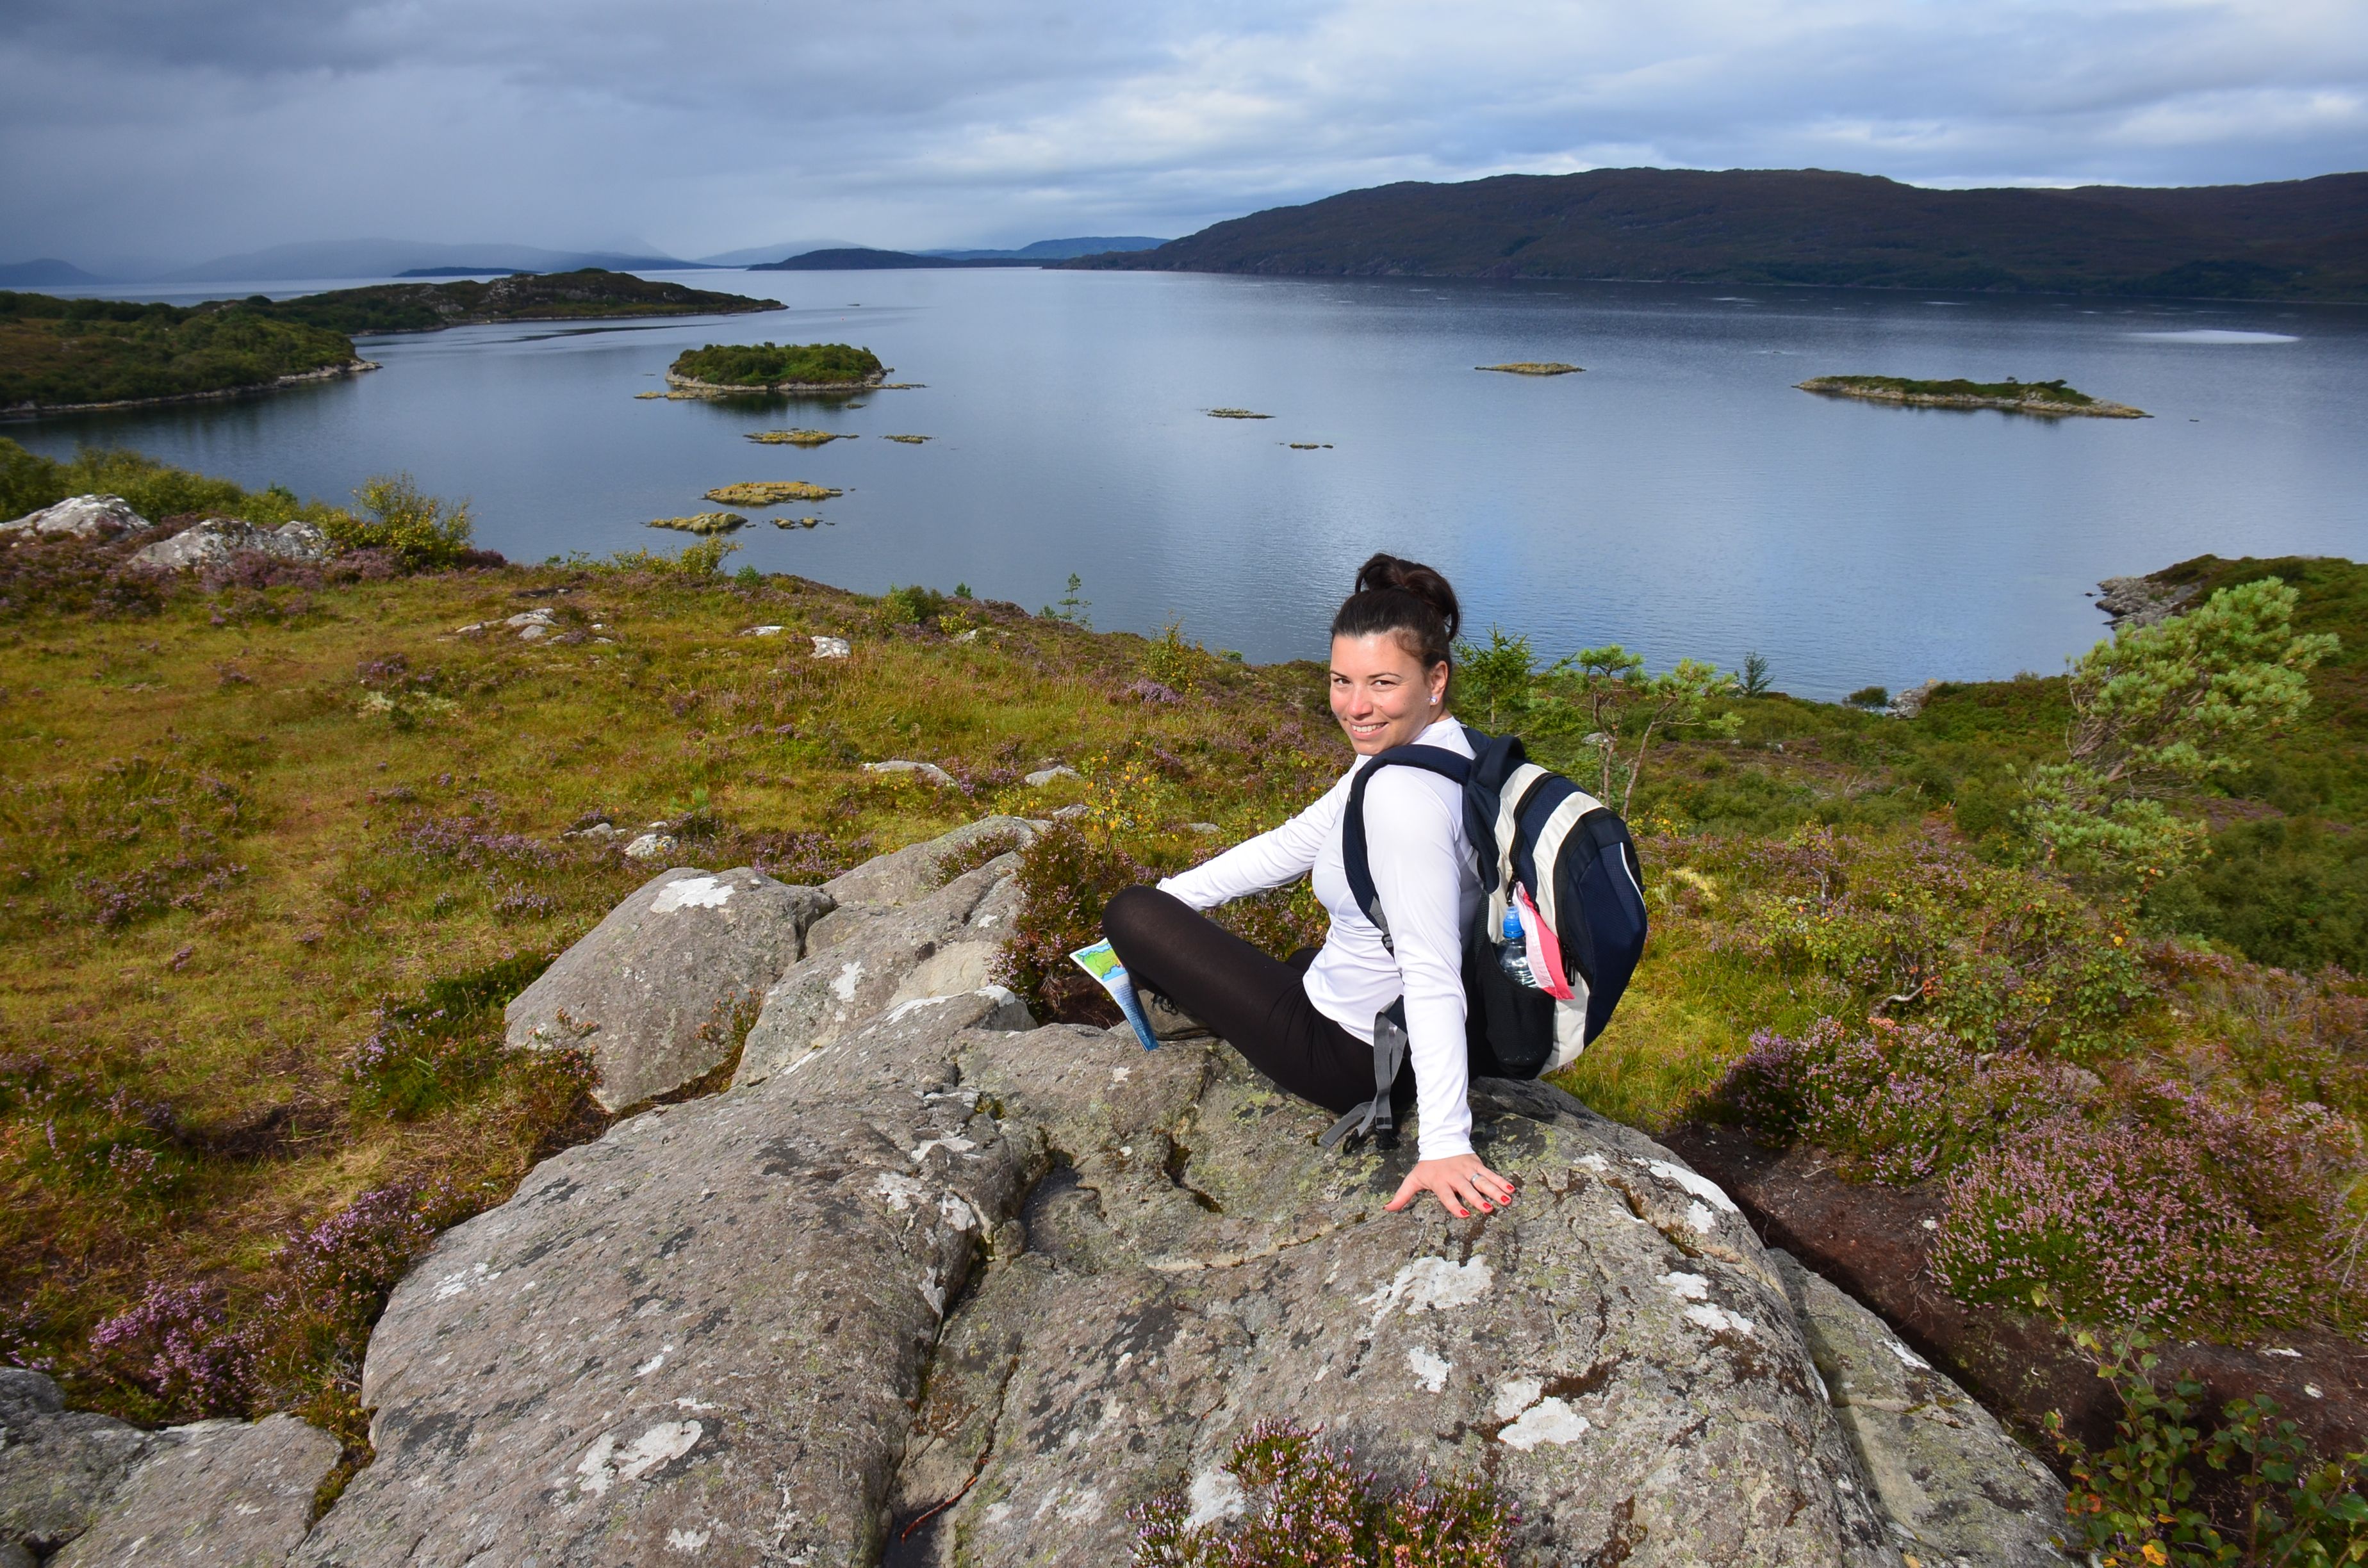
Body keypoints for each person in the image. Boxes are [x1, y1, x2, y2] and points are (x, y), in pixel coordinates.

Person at [1100, 553, 1517, 1221]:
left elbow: (1431, 968)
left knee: (1128, 914)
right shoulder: (1442, 749)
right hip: (1390, 1027)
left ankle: (1165, 996)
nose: (1356, 707)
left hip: (1352, 1056)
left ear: (1436, 679)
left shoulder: (1403, 798)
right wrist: (1175, 896)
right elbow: (1295, 843)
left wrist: (1445, 1141)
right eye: (1341, 681)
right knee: (1266, 947)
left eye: (1382, 683)